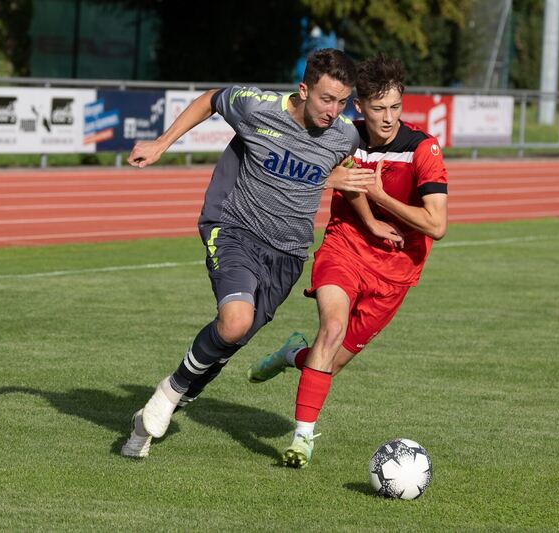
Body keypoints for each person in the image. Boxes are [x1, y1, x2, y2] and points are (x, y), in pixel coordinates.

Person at [120, 49, 376, 458]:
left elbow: (338, 171)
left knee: (228, 344)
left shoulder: (343, 135)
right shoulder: (257, 107)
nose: (333, 110)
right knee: (235, 321)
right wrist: (161, 143)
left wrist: (350, 195)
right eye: (326, 99)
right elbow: (210, 99)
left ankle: (152, 419)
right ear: (304, 89)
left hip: (288, 254)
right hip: (236, 229)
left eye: (342, 102)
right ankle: (168, 394)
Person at [247, 53, 449, 468]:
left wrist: (382, 199)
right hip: (344, 246)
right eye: (378, 109)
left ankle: (290, 356)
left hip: (395, 273)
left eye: (395, 107)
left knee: (328, 362)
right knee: (332, 328)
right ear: (360, 107)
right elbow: (332, 173)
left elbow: (436, 224)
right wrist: (371, 221)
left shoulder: (422, 149)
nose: (388, 118)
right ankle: (302, 440)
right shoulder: (343, 136)